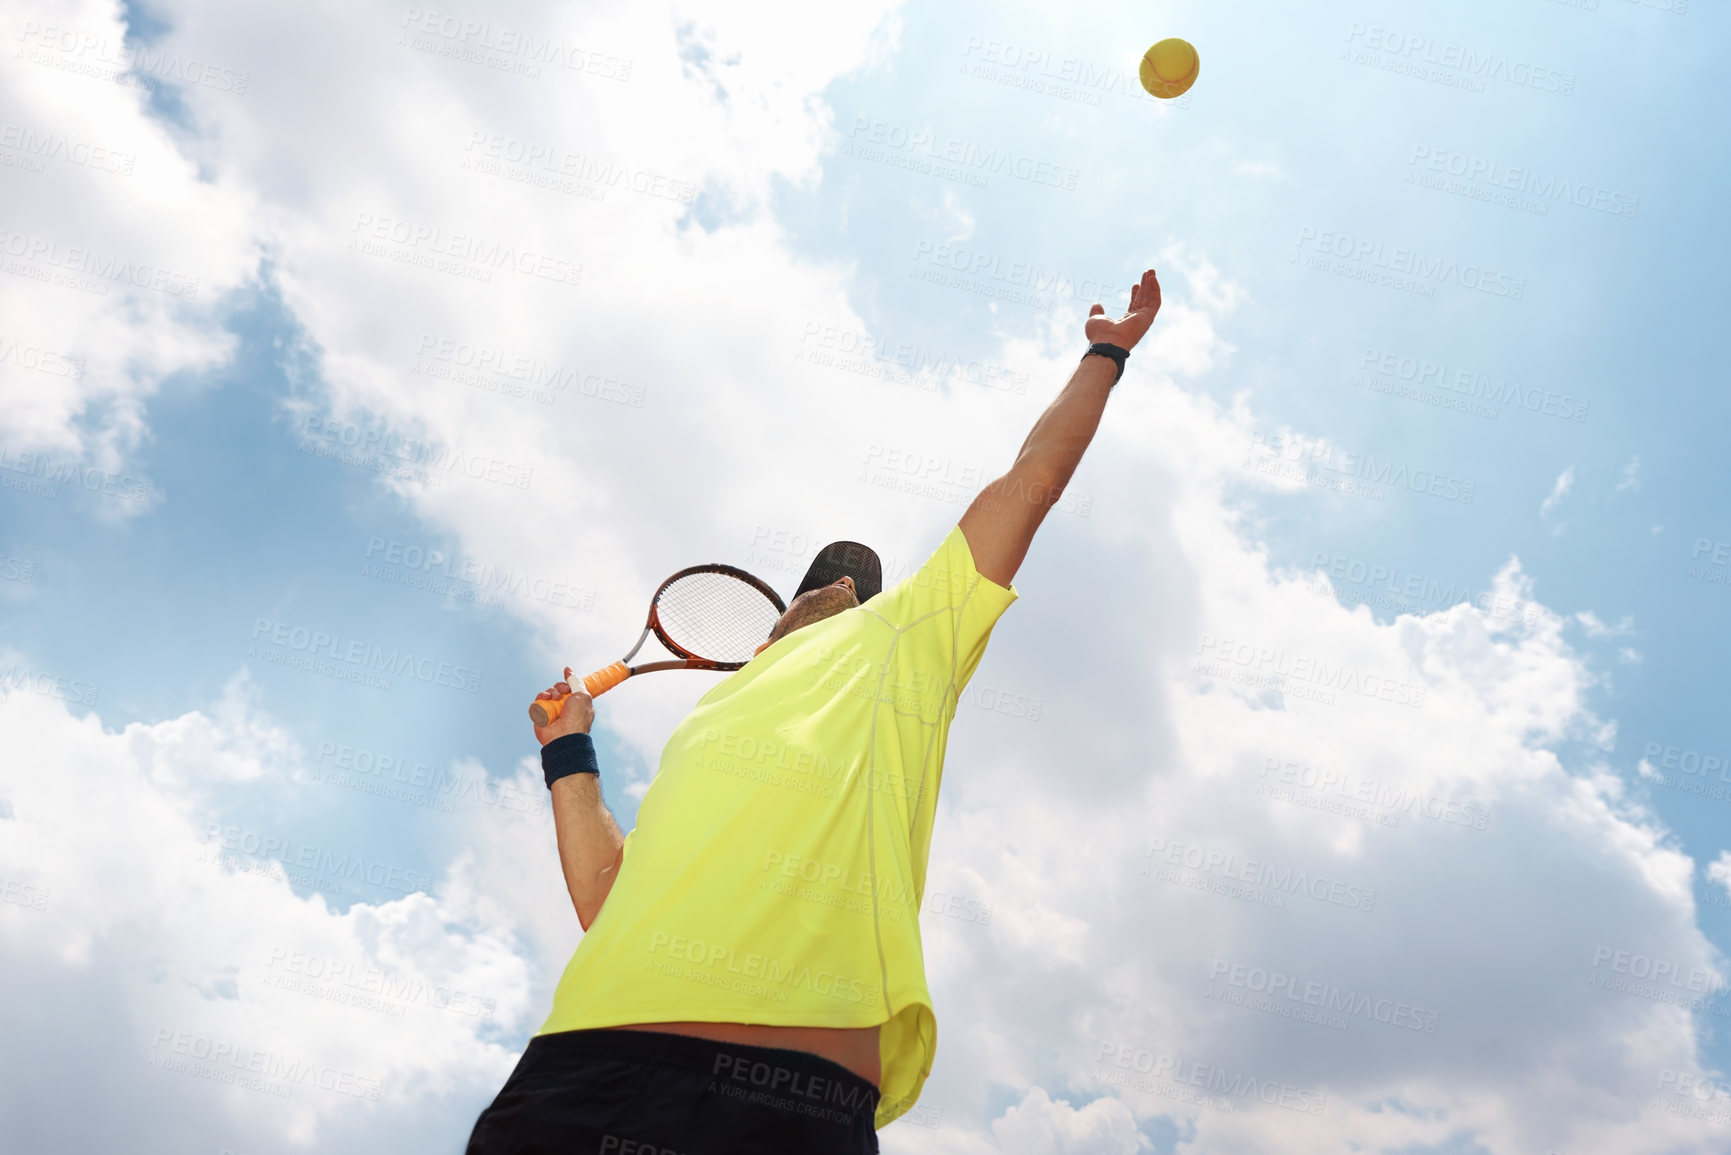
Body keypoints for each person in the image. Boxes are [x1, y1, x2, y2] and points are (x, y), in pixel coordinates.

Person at [466, 269, 1164, 1154]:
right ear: (769, 627)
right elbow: (609, 900)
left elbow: (1030, 481)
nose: (843, 583)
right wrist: (568, 754)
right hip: (588, 1071)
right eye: (825, 579)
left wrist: (1104, 352)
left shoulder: (905, 640)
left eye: (856, 583)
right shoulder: (708, 718)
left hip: (800, 1098)